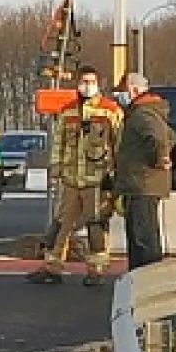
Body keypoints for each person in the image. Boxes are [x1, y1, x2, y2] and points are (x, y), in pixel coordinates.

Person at [30, 64, 122, 287]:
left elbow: (119, 144)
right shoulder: (68, 110)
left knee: (96, 224)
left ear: (98, 83)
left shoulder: (110, 110)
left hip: (97, 180)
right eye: (84, 82)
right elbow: (58, 142)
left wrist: (116, 175)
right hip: (71, 179)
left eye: (91, 82)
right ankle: (52, 266)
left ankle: (96, 269)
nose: (87, 86)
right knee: (61, 224)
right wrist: (55, 167)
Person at [113, 72, 175, 270]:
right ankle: (140, 275)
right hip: (141, 182)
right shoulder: (149, 111)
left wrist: (160, 159)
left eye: (123, 91)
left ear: (134, 90)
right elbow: (171, 135)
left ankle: (147, 276)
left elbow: (158, 137)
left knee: (143, 236)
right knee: (142, 233)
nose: (120, 96)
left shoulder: (143, 113)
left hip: (142, 183)